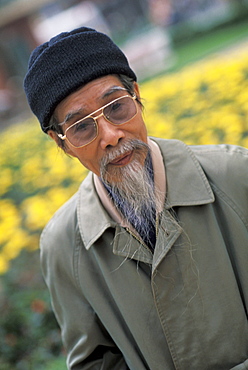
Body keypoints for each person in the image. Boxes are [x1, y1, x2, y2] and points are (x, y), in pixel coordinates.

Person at [24, 27, 248, 370]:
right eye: (82, 126)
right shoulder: (62, 246)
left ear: (137, 96)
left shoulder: (236, 175)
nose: (111, 136)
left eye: (116, 107)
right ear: (62, 143)